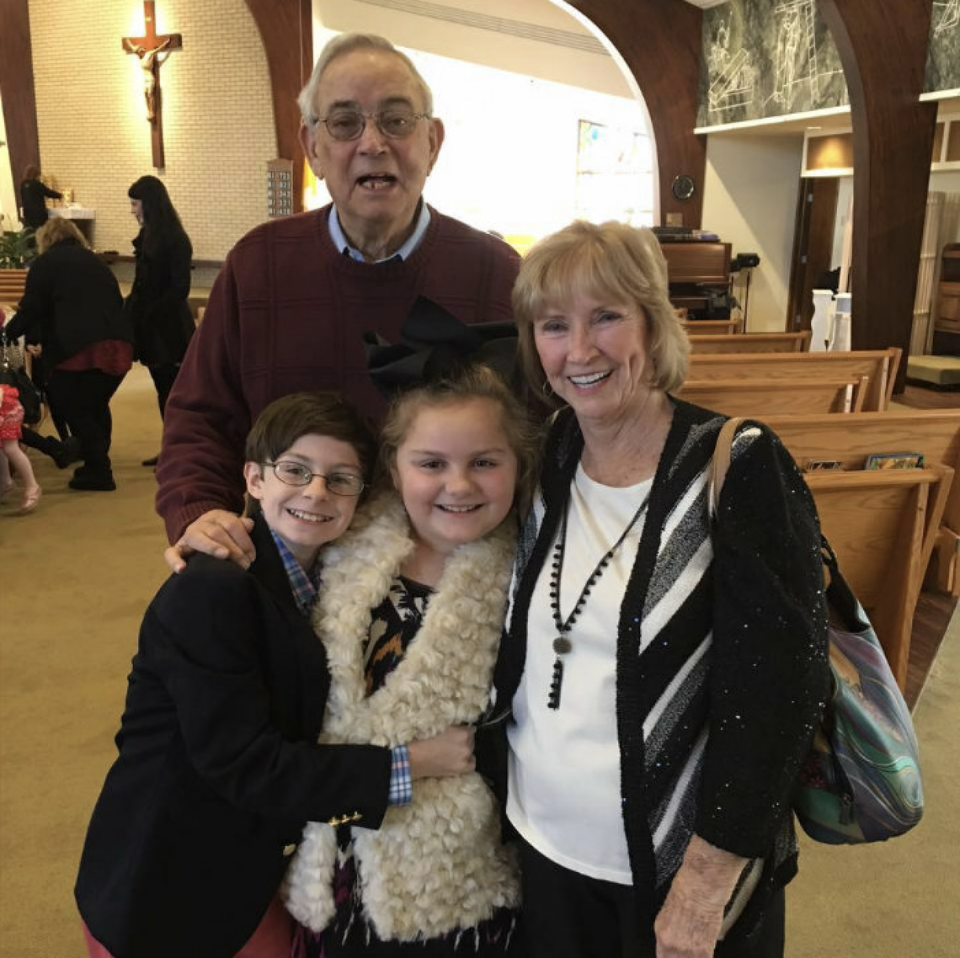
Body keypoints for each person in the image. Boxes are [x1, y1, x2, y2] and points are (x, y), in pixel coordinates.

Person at [491, 221, 830, 958]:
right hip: (540, 845)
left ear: (653, 321)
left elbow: (780, 697)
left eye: (606, 317)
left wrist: (705, 888)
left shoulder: (738, 465)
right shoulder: (553, 451)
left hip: (670, 872)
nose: (579, 351)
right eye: (555, 325)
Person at [75, 391, 477, 958]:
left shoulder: (327, 582)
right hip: (171, 882)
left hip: (252, 864)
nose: (316, 492)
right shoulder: (215, 589)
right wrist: (412, 763)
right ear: (254, 478)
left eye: (340, 479)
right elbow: (245, 766)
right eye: (295, 470)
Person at [155, 31, 520, 570]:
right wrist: (200, 510)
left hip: (444, 575)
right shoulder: (258, 264)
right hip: (286, 560)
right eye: (345, 123)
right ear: (313, 148)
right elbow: (201, 416)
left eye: (396, 120)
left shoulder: (496, 273)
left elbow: (534, 434)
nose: (373, 143)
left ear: (432, 142)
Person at [283, 362, 537, 956]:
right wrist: (214, 528)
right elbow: (267, 556)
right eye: (431, 464)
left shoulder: (531, 575)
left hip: (451, 880)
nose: (459, 485)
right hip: (327, 863)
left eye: (484, 462)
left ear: (517, 464)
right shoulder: (340, 539)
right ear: (394, 468)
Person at [4, 219, 132, 491]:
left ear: (46, 239)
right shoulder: (94, 261)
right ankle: (93, 460)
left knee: (72, 405)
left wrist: (10, 330)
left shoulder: (45, 264)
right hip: (119, 344)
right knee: (95, 404)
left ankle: (99, 471)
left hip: (80, 348)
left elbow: (33, 307)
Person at [125, 174, 194, 465]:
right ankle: (171, 448)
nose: (132, 210)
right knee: (161, 388)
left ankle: (181, 452)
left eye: (135, 203)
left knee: (173, 392)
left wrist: (149, 310)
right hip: (151, 326)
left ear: (149, 204)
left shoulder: (175, 238)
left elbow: (180, 289)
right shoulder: (149, 236)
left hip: (169, 328)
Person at [0, 382, 41, 512]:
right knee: (4, 446)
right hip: (6, 406)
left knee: (10, 447)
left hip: (6, 409)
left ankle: (32, 486)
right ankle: (5, 482)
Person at [19, 164, 62, 231]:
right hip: (38, 214)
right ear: (35, 175)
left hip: (28, 214)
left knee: (30, 232)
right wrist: (59, 195)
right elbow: (48, 193)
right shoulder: (37, 184)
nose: (39, 177)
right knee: (41, 232)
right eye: (38, 175)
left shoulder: (23, 184)